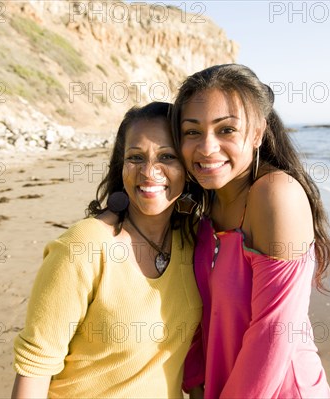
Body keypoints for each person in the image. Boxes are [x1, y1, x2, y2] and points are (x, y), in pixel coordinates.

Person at [11, 102, 202, 398]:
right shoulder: (84, 246)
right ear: (120, 165)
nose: (149, 171)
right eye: (135, 157)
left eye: (167, 156)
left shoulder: (192, 241)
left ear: (188, 168)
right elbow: (35, 371)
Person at [171, 64, 330, 398]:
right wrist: (195, 380)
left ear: (258, 132)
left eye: (226, 130)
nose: (206, 147)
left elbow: (273, 332)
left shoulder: (275, 195)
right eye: (192, 132)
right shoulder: (204, 205)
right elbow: (198, 311)